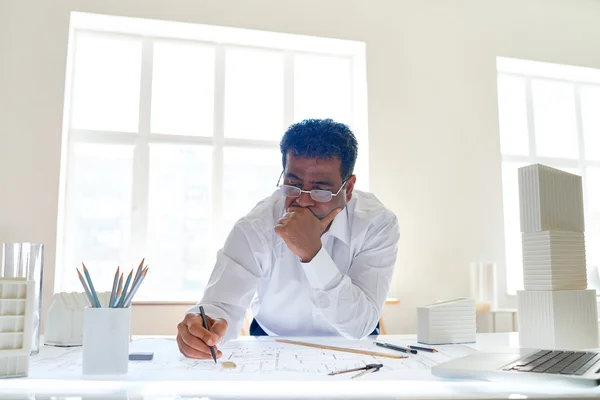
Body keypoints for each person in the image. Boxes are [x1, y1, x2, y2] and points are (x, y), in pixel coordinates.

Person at [176, 118, 400, 360]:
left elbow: (360, 326)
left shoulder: (377, 224)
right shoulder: (255, 226)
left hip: (356, 348)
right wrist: (202, 329)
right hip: (272, 343)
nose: (303, 201)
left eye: (320, 190)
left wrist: (312, 254)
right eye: (293, 184)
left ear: (348, 189)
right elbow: (221, 307)